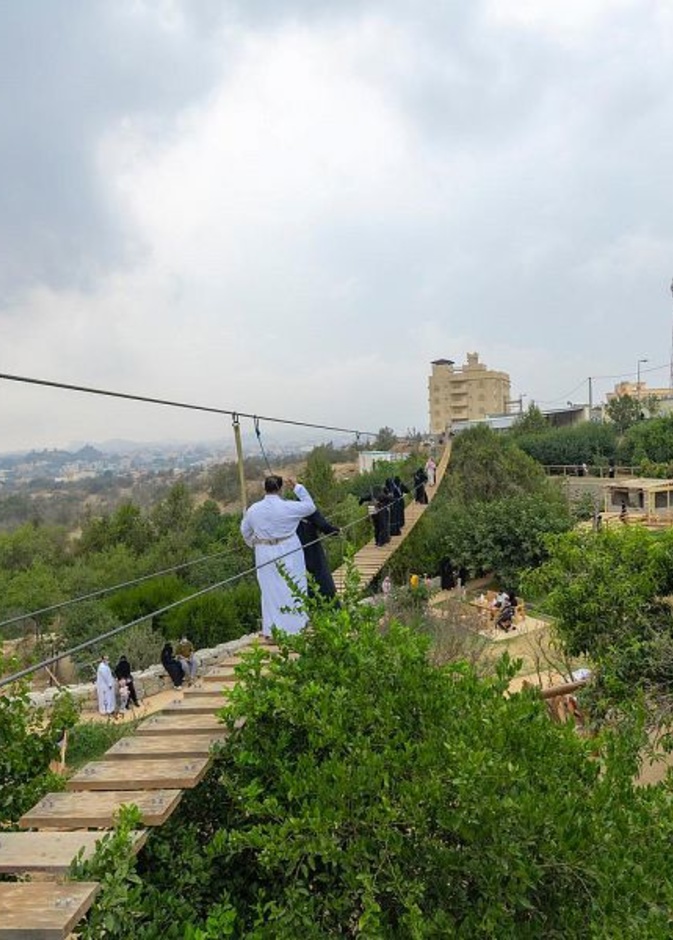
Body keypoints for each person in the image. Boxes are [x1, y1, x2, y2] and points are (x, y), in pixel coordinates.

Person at [241, 475, 316, 636]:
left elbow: (245, 531)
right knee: (293, 584)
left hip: (264, 551)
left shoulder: (253, 510)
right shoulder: (289, 507)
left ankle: (272, 629)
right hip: (289, 549)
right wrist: (297, 487)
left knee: (269, 590)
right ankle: (297, 626)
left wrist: (253, 543)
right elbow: (310, 507)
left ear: (264, 488)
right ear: (280, 488)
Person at [298, 509, 340, 600]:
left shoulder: (286, 507)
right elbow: (324, 526)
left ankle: (308, 600)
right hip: (310, 543)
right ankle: (327, 600)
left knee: (302, 574)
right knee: (319, 572)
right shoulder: (307, 507)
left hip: (293, 547)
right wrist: (336, 530)